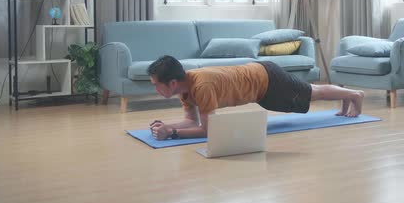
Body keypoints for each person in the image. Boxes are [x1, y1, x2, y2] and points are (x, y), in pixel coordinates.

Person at [147, 55, 364, 140]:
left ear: (172, 82)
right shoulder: (185, 88)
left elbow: (209, 130)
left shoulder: (201, 86)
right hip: (260, 84)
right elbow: (192, 121)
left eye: (157, 85)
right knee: (311, 93)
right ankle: (347, 96)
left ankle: (354, 94)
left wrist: (172, 133)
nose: (155, 89)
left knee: (311, 93)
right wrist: (167, 126)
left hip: (268, 80)